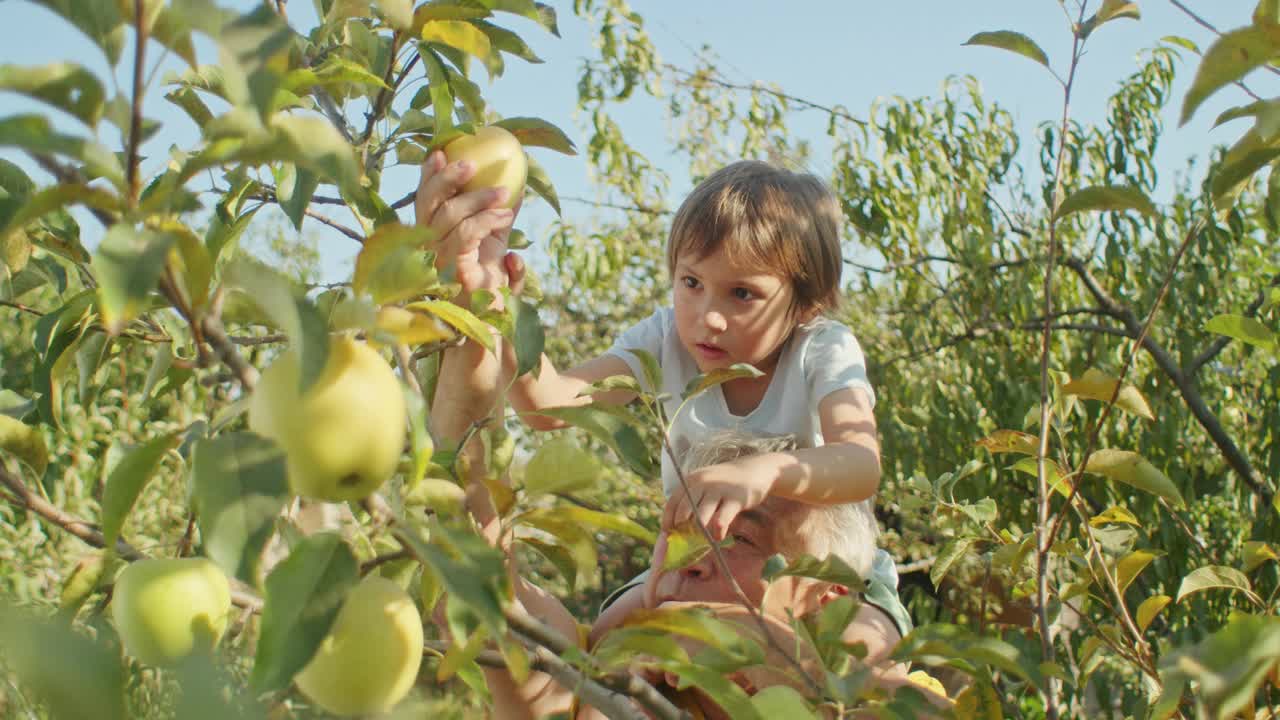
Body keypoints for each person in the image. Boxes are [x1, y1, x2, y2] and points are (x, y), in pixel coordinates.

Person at [415, 154, 913, 644]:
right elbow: (551, 407)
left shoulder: (822, 348)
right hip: (693, 563)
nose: (707, 316)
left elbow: (860, 462)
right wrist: (500, 306)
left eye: (742, 294)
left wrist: (764, 471)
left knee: (867, 657)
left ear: (807, 302)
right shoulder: (665, 339)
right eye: (692, 283)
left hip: (818, 570)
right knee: (605, 647)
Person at [427, 299, 942, 718]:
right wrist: (481, 312)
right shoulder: (630, 683)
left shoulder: (823, 348)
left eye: (738, 537)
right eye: (680, 530)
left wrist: (741, 646)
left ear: (825, 598)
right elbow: (483, 582)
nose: (690, 557)